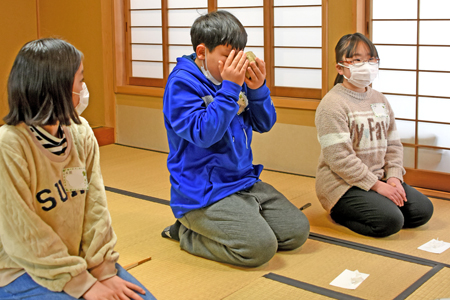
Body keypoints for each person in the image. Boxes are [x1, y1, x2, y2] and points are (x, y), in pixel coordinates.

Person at [0, 38, 156, 300]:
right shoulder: (9, 146)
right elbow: (25, 235)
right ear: (55, 86)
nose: (84, 89)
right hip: (21, 269)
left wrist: (104, 270)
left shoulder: (81, 133)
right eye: (80, 80)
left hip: (74, 261)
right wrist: (83, 284)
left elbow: (93, 205)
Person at [161, 10, 310, 267]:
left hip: (242, 181)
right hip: (203, 191)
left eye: (238, 54)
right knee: (259, 249)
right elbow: (204, 134)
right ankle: (185, 232)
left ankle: (239, 219)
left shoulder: (233, 78)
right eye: (226, 55)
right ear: (201, 53)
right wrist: (230, 88)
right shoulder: (182, 84)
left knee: (296, 232)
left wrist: (257, 89)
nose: (235, 62)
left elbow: (264, 124)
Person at [315, 33, 433, 237]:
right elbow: (339, 159)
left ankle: (377, 203)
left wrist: (394, 178)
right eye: (357, 60)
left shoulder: (380, 99)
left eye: (371, 59)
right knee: (391, 222)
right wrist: (378, 186)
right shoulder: (331, 104)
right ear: (340, 67)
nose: (366, 65)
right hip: (343, 185)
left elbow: (394, 145)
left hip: (378, 178)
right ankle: (340, 213)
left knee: (422, 211)